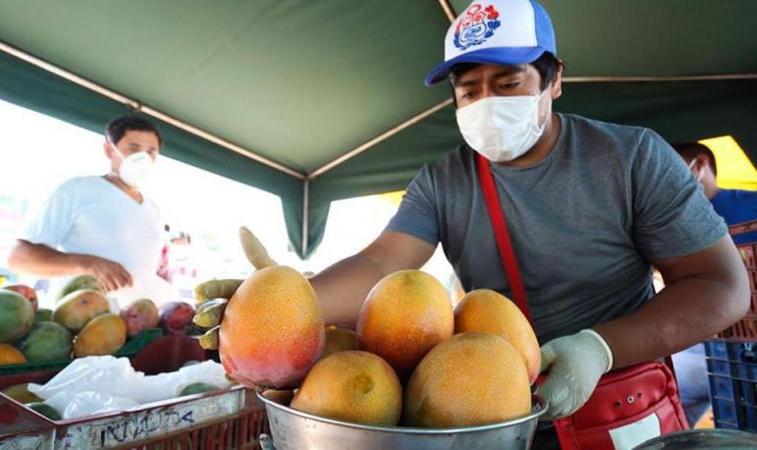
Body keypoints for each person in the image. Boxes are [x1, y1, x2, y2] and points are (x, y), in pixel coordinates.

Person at [306, 1, 749, 448]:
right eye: (469, 91)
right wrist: (292, 305)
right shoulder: (443, 182)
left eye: (507, 83)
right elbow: (382, 263)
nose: (487, 103)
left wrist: (599, 348)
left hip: (617, 401)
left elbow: (720, 285)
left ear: (554, 79)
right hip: (492, 411)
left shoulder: (632, 158)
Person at [8, 115, 176, 308]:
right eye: (134, 148)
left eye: (151, 152)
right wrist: (88, 264)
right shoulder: (78, 190)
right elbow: (19, 258)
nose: (143, 158)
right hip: (83, 322)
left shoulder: (153, 209)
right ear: (108, 150)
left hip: (140, 325)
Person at [670, 141, 757, 426]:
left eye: (672, 168)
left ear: (700, 164)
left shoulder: (750, 204)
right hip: (704, 343)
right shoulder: (670, 224)